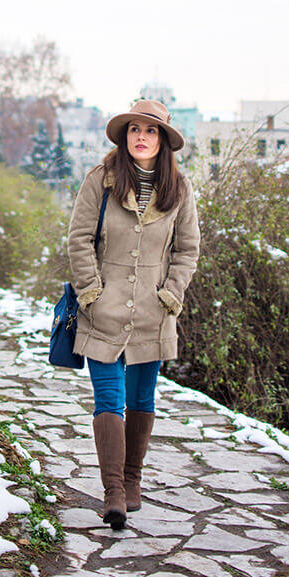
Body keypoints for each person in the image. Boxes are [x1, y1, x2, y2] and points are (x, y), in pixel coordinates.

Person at [68, 99, 200, 530]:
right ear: (125, 137)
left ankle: (132, 479)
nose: (141, 136)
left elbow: (188, 250)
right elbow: (79, 239)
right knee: (110, 399)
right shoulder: (100, 182)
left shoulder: (179, 190)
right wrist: (91, 291)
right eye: (134, 129)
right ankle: (113, 494)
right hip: (102, 313)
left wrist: (170, 294)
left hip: (152, 314)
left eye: (152, 130)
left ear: (163, 141)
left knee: (142, 400)